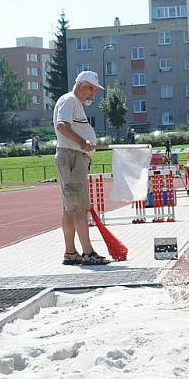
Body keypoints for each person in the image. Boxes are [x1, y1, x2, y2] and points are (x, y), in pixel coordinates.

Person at [53, 70, 110, 266]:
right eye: (91, 89)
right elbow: (61, 125)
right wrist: (82, 143)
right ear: (80, 85)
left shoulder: (73, 102)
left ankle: (71, 253)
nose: (92, 94)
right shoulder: (69, 101)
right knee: (79, 207)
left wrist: (84, 144)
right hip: (73, 157)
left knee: (70, 209)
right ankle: (88, 253)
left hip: (72, 156)